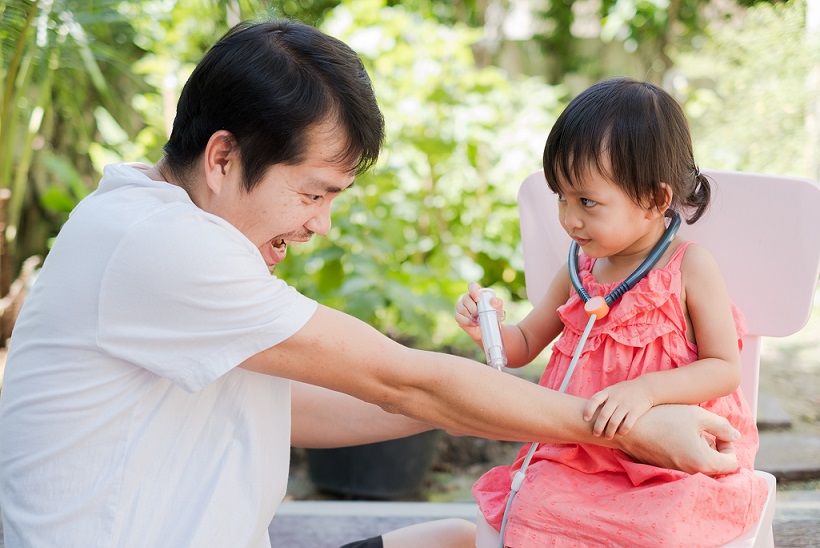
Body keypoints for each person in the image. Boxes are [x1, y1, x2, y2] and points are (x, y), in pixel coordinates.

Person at [0, 21, 742, 548]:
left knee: (456, 536)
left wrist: (474, 403)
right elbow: (398, 379)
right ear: (223, 158)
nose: (320, 224)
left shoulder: (156, 223)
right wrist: (623, 425)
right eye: (314, 193)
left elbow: (301, 407)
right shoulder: (165, 245)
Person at [456, 77, 769, 547]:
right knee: (534, 510)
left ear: (656, 200)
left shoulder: (689, 268)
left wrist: (646, 391)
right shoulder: (579, 270)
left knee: (669, 526)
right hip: (582, 455)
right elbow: (522, 347)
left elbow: (725, 368)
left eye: (587, 202)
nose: (569, 218)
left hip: (670, 458)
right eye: (561, 197)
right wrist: (491, 331)